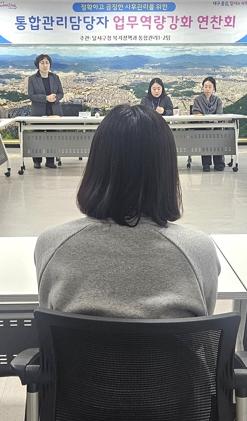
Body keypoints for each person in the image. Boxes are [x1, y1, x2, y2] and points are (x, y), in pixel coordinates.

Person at [34, 104, 220, 319]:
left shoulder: (52, 244)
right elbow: (204, 326)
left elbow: (49, 314)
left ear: (96, 167)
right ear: (166, 170)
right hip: (170, 344)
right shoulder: (199, 251)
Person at [28, 54, 64, 169]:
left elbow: (61, 93)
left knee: (51, 136)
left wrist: (55, 98)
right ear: (37, 65)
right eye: (42, 63)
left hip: (53, 112)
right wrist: (45, 98)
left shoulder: (55, 77)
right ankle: (37, 161)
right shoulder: (32, 79)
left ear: (50, 65)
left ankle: (50, 160)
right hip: (38, 112)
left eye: (47, 63)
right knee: (38, 136)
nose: (45, 65)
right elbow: (31, 96)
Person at [192, 76, 225, 172]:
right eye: (205, 86)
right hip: (202, 126)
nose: (207, 89)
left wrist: (213, 124)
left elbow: (219, 114)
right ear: (202, 87)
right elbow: (196, 113)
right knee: (204, 135)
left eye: (210, 87)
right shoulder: (197, 100)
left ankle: (219, 163)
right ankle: (206, 164)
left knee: (218, 134)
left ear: (214, 88)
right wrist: (206, 123)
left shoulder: (218, 100)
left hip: (215, 125)